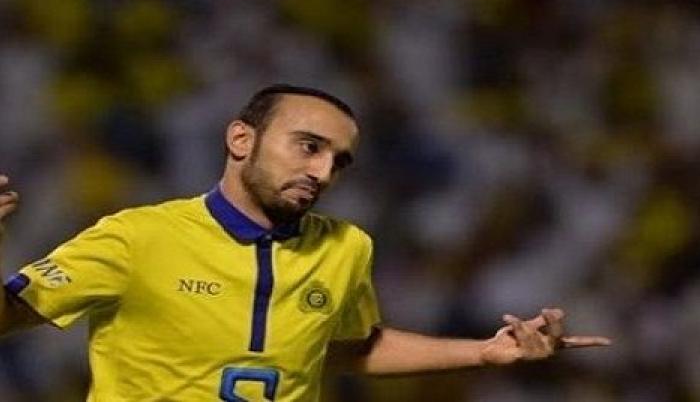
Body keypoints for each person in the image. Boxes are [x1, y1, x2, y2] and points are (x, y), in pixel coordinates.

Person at [0, 84, 610, 401]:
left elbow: (347, 348)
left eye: (339, 161)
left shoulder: (347, 248)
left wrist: (484, 353)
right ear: (241, 140)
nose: (322, 171)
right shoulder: (138, 236)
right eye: (309, 147)